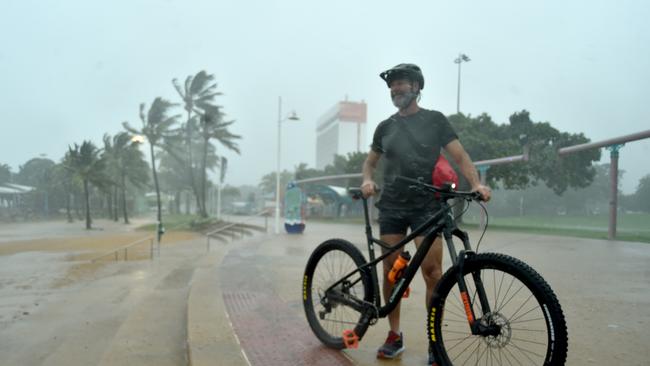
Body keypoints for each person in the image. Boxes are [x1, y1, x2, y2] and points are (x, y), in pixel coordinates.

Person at [361, 63, 491, 364]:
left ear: (417, 87)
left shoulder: (435, 121)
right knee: (391, 272)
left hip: (427, 204)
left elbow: (460, 155)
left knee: (433, 273)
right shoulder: (385, 127)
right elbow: (370, 163)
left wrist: (476, 184)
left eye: (402, 83)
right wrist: (367, 179)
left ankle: (435, 341)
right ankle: (394, 335)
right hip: (392, 203)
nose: (396, 88)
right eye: (392, 85)